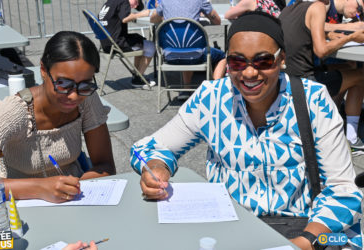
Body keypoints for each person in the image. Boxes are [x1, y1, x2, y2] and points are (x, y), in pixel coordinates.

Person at [130, 12, 363, 250]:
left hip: (306, 227)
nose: (249, 73)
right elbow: (146, 148)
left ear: (281, 59)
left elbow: (343, 189)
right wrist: (157, 166)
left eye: (263, 61)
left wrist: (304, 243)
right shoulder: (210, 99)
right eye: (237, 62)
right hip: (232, 226)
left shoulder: (313, 99)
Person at [0, 31, 116, 203]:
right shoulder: (15, 112)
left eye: (86, 84)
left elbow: (105, 165)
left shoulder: (86, 99)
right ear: (43, 70)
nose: (74, 96)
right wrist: (40, 188)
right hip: (17, 205)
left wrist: (74, 188)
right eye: (64, 84)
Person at [280, 0, 364, 155]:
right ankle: (352, 139)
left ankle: (332, 119)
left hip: (288, 79)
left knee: (348, 67)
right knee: (361, 76)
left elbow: (302, 34)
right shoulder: (317, 7)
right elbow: (321, 50)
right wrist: (351, 37)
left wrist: (332, 35)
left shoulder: (289, 9)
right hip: (307, 82)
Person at [150, 0, 227, 100]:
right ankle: (214, 91)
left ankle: (185, 89)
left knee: (185, 49)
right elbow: (217, 21)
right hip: (195, 55)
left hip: (170, 55)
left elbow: (153, 19)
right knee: (221, 56)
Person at [98, 0, 155, 88]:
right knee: (150, 46)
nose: (135, 6)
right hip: (116, 44)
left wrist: (133, 14)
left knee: (140, 41)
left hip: (106, 43)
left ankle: (137, 74)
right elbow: (124, 19)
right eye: (137, 2)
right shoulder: (124, 1)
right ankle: (138, 79)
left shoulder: (110, 2)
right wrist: (141, 14)